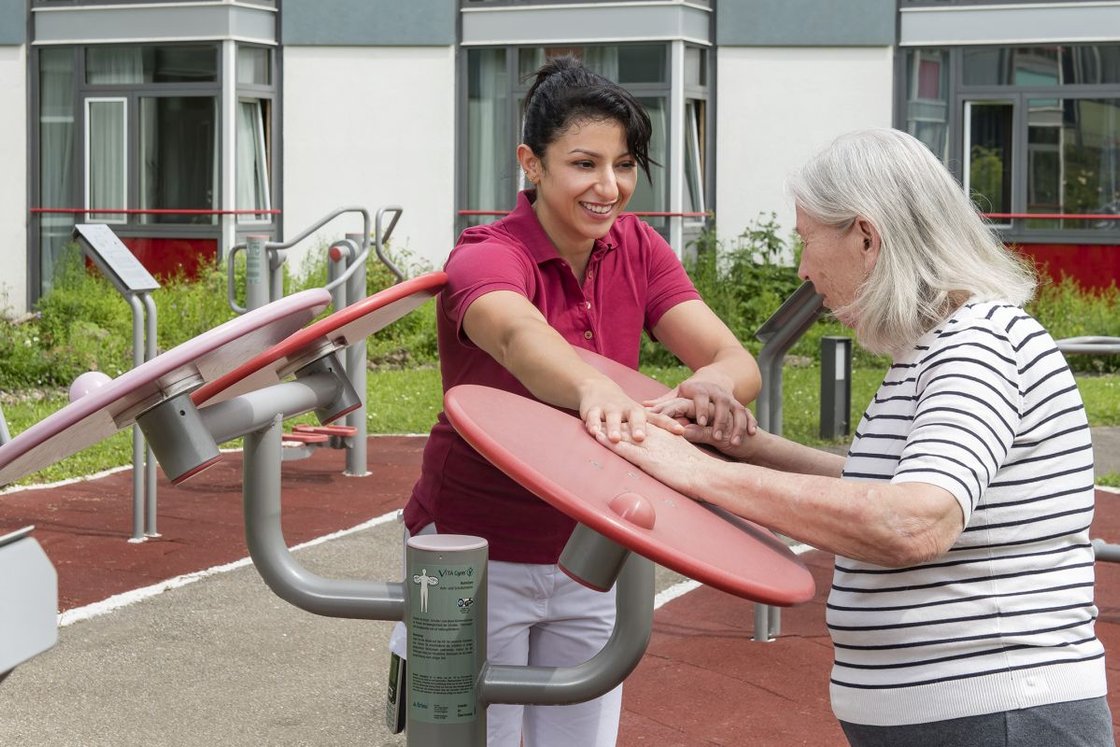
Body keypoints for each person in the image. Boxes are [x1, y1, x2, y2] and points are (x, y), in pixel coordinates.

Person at [600, 128, 1113, 746]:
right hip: (969, 714)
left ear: (867, 238)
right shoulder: (935, 349)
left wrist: (696, 471)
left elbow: (914, 521)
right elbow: (879, 486)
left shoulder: (978, 347)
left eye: (809, 242)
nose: (803, 269)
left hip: (998, 712)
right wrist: (749, 448)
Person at [399, 56, 761, 746]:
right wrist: (596, 385)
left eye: (623, 165)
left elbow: (732, 358)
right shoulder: (486, 253)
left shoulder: (638, 248)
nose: (609, 187)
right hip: (474, 546)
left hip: (590, 545)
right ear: (530, 163)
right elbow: (514, 332)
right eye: (584, 164)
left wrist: (714, 385)